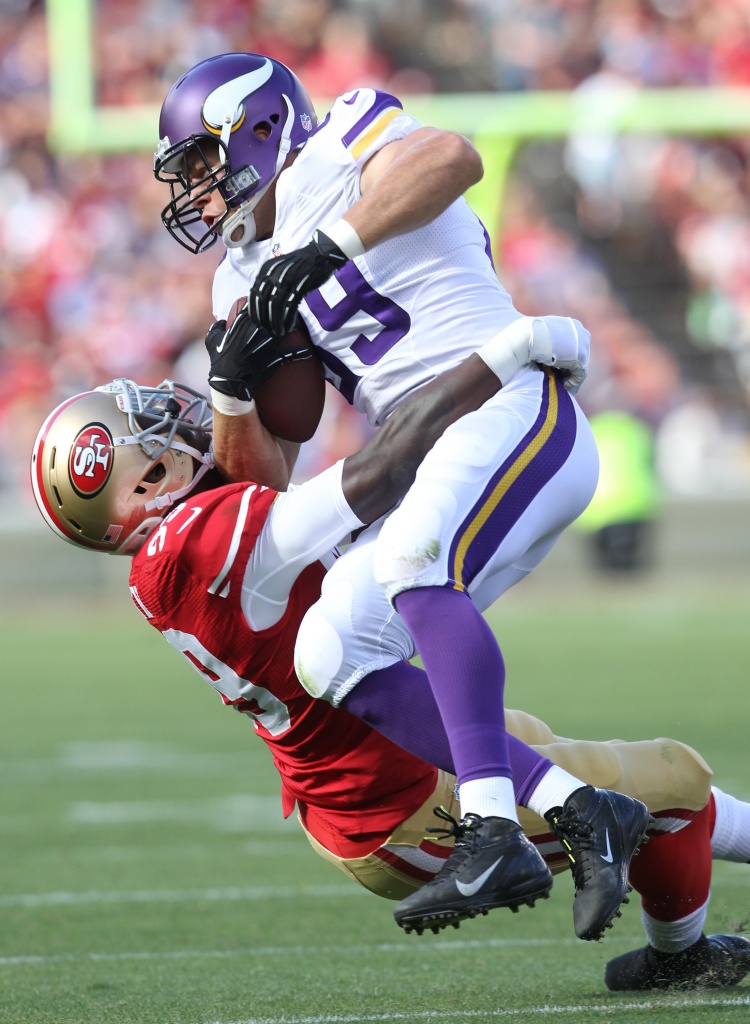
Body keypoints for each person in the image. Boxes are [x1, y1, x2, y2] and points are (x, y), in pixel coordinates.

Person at [30, 376, 750, 992]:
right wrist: (498, 363)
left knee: (607, 776)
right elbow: (378, 473)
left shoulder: (171, 557)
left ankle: (680, 941)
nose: (176, 425)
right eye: (152, 434)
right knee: (672, 778)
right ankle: (680, 958)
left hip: (381, 767)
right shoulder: (199, 536)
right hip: (404, 802)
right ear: (142, 483)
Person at [152, 51, 652, 938]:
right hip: (431, 460)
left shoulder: (340, 138)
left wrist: (323, 248)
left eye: (200, 163)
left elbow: (452, 157)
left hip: (510, 404)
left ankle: (493, 828)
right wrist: (232, 387)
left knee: (418, 558)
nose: (195, 192)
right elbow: (265, 479)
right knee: (329, 650)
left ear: (259, 131)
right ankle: (583, 808)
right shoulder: (234, 278)